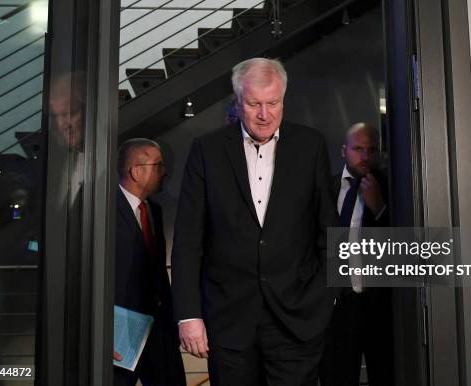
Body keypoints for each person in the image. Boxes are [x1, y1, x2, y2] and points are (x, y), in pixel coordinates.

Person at [171, 57, 338, 385]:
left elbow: (328, 230)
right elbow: (189, 239)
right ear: (238, 101)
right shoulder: (207, 150)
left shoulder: (310, 146)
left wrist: (326, 296)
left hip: (298, 317)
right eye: (254, 104)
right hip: (229, 319)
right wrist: (189, 315)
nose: (265, 114)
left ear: (283, 99)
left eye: (273, 103)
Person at [319, 122, 394, 386]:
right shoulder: (324, 188)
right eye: (358, 148)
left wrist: (381, 208)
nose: (364, 156)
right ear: (343, 151)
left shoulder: (393, 187)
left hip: (381, 307)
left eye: (371, 149)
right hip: (337, 308)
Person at [114, 139, 185, 386]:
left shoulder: (153, 210)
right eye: (158, 165)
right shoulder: (104, 211)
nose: (164, 172)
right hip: (120, 335)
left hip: (160, 331)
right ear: (136, 171)